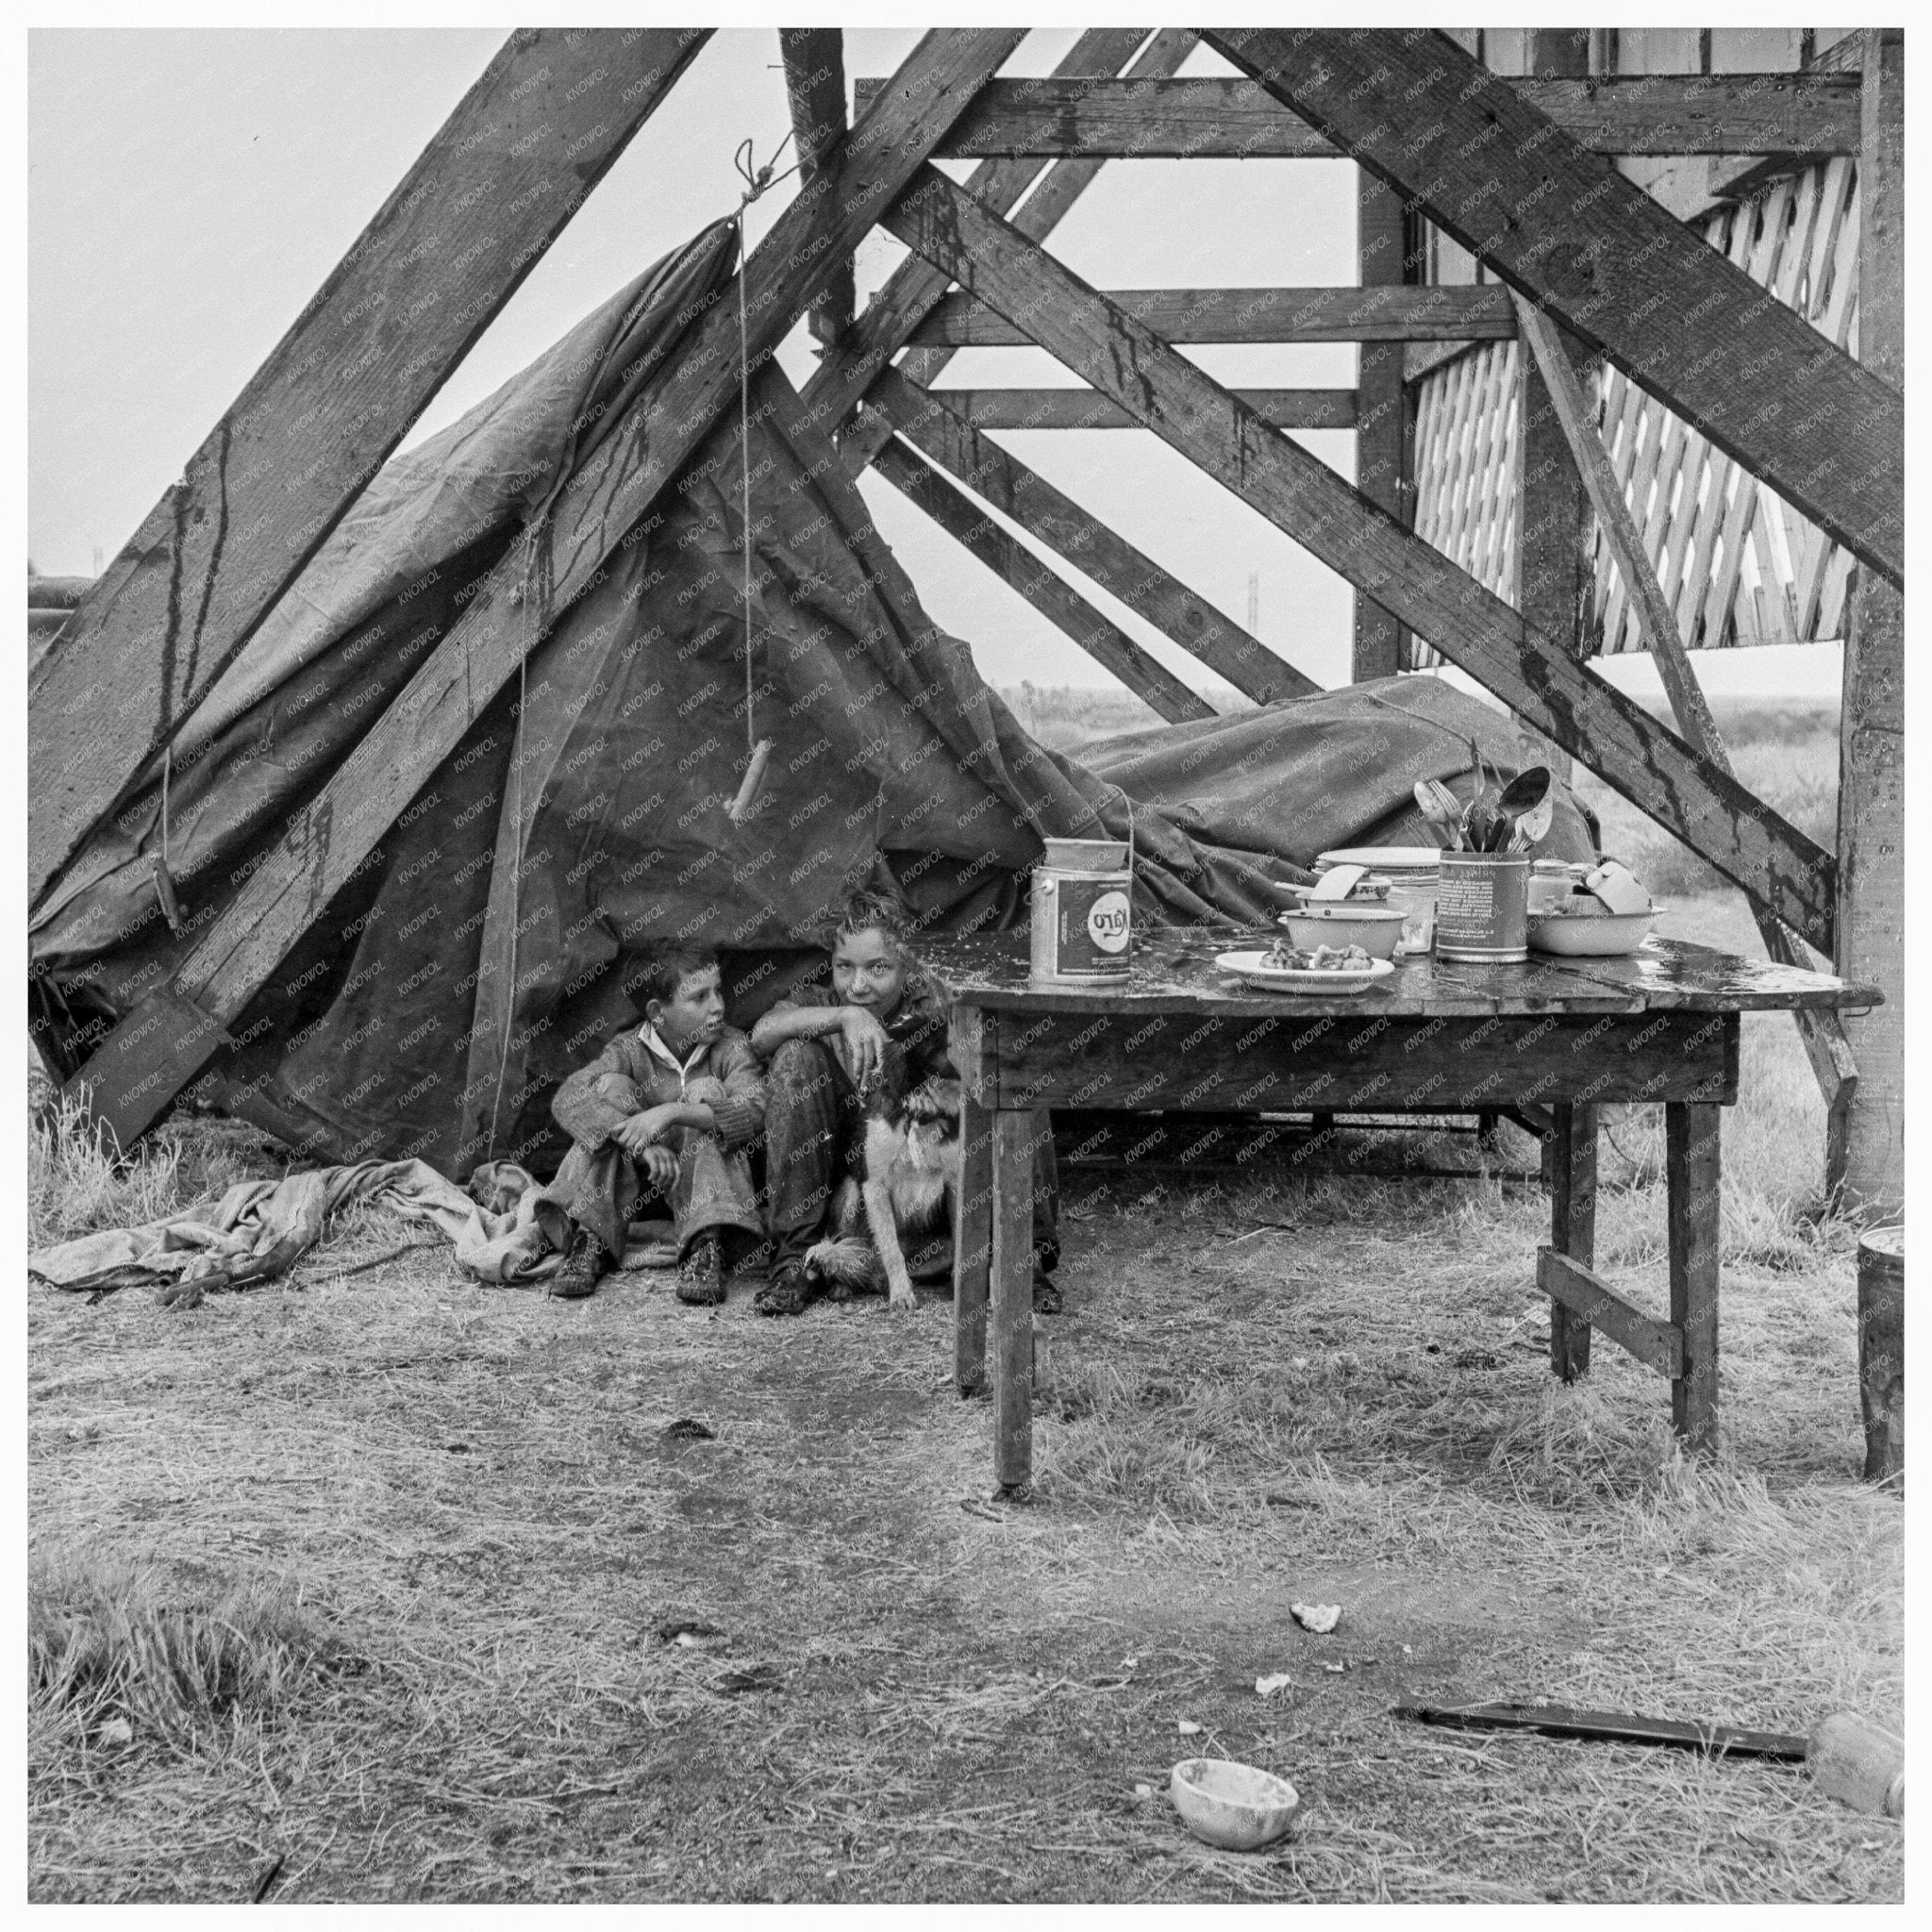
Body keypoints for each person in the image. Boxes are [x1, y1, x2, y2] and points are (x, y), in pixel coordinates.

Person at [749, 891, 1061, 1318]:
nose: (858, 986)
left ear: (907, 965)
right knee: (793, 1058)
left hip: (936, 1182)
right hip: (855, 1194)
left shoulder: (934, 1007)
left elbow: (987, 1058)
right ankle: (795, 1261)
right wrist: (845, 1018)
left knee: (1017, 1078)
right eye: (845, 968)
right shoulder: (821, 1003)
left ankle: (1025, 1260)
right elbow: (761, 1033)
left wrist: (954, 1089)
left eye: (878, 968)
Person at [534, 944, 766, 1305]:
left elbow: (750, 1111)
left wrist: (671, 1113)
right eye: (699, 997)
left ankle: (705, 1246)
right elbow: (569, 1098)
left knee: (705, 1091)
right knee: (609, 1089)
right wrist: (641, 1142)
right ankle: (592, 1239)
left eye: (718, 990)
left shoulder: (732, 1047)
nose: (718, 1006)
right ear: (657, 1013)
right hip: (637, 1192)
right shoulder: (627, 1049)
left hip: (710, 1197)